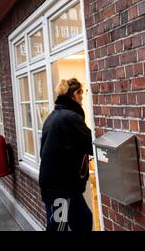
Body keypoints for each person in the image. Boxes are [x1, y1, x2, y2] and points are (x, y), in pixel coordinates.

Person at [39, 78, 93, 231]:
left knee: (83, 220)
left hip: (63, 186)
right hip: (60, 189)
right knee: (59, 227)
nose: (82, 99)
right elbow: (91, 144)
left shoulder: (53, 116)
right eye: (80, 94)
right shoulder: (70, 118)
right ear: (74, 95)